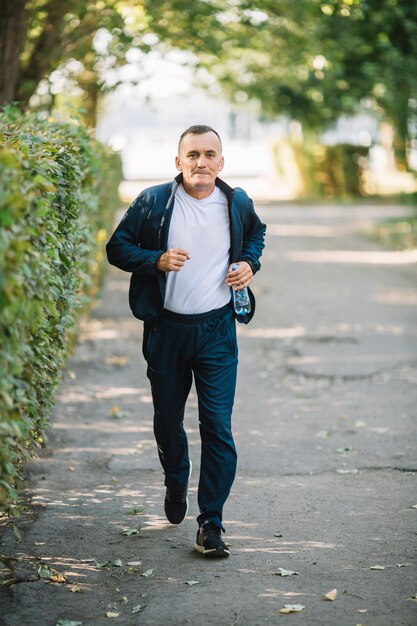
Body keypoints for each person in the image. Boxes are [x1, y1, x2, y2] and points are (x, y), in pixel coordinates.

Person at [106, 125, 266, 558]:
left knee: (217, 427)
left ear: (221, 162)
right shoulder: (155, 201)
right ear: (178, 162)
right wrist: (154, 259)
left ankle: (210, 523)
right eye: (192, 154)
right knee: (168, 421)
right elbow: (116, 248)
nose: (201, 162)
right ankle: (176, 478)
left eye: (210, 154)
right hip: (166, 331)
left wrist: (249, 263)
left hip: (217, 330)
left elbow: (256, 235)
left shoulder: (236, 202)